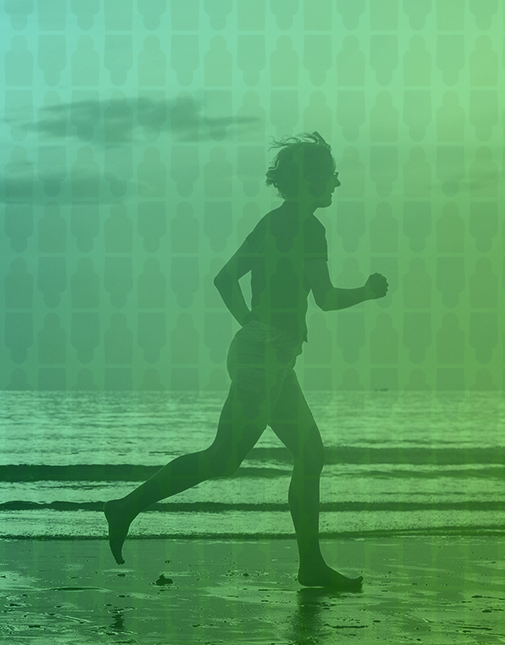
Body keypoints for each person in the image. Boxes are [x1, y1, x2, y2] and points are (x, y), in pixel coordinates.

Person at [103, 131, 389, 591]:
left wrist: (254, 325)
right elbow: (329, 299)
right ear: (312, 179)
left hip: (263, 355)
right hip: (264, 359)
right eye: (331, 176)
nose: (336, 183)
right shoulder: (310, 228)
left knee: (310, 453)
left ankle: (311, 565)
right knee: (223, 458)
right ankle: (125, 508)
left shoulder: (270, 222)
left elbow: (224, 280)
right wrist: (370, 292)